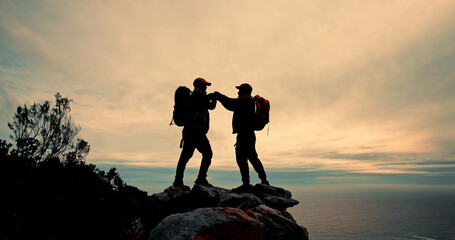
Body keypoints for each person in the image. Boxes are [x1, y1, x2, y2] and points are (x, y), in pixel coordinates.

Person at [214, 83, 270, 191]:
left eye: (239, 90)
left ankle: (248, 183)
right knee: (251, 157)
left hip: (245, 134)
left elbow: (230, 103)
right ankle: (262, 180)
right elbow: (231, 105)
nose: (238, 91)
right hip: (247, 133)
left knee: (243, 158)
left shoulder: (246, 100)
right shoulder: (248, 100)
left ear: (244, 90)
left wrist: (218, 96)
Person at [173, 77, 217, 188]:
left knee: (187, 156)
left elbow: (211, 106)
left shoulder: (199, 97)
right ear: (199, 86)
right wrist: (212, 97)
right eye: (204, 85)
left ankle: (182, 180)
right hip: (194, 132)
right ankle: (197, 179)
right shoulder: (194, 98)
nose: (206, 87)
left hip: (194, 132)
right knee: (205, 154)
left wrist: (214, 98)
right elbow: (204, 103)